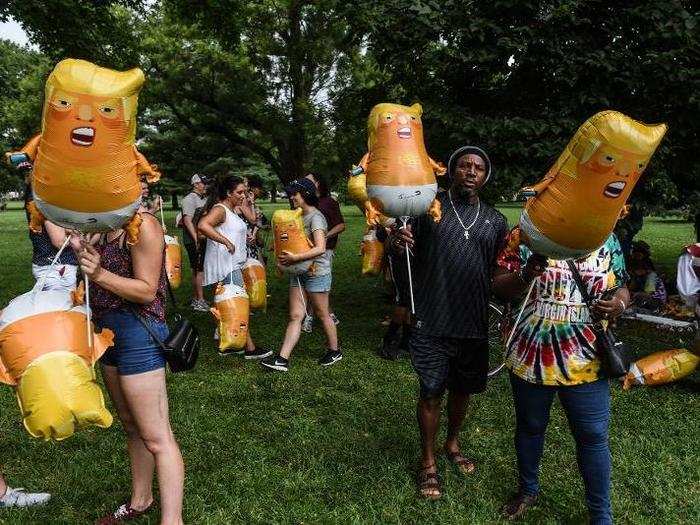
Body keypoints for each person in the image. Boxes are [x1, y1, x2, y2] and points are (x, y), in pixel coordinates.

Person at [394, 146, 508, 499]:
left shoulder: (495, 220)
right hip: (432, 317)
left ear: (485, 176)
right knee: (430, 391)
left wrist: (508, 311)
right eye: (464, 166)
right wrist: (398, 244)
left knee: (463, 390)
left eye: (478, 168)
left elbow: (500, 274)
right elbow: (403, 262)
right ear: (451, 171)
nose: (471, 172)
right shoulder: (428, 209)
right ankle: (428, 461)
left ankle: (452, 443)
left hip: (473, 321)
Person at [492, 230, 630, 523]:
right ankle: (527, 489)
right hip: (532, 353)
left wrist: (618, 304)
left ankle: (600, 514)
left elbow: (622, 287)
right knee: (530, 425)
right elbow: (499, 287)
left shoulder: (605, 236)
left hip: (588, 358)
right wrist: (526, 274)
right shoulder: (525, 235)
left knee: (593, 435)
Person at [73, 211, 184, 524]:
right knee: (131, 423)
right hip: (108, 332)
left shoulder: (143, 225)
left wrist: (99, 275)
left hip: (139, 330)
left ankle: (173, 521)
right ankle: (141, 500)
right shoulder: (105, 226)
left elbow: (147, 290)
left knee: (157, 436)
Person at [261, 177, 341, 372]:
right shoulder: (297, 216)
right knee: (296, 315)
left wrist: (295, 257)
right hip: (299, 272)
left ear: (305, 194)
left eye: (294, 194)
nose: (291, 197)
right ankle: (282, 359)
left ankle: (335, 350)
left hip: (317, 272)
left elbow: (321, 248)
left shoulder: (316, 217)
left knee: (322, 313)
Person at [198, 175, 271, 359]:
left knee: (228, 305)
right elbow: (203, 225)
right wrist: (226, 241)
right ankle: (250, 349)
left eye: (244, 191)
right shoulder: (220, 209)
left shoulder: (231, 210)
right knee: (239, 305)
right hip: (226, 265)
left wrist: (241, 239)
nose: (243, 195)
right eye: (239, 192)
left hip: (232, 263)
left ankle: (231, 344)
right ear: (228, 193)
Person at [301, 173, 345, 332]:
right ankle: (325, 314)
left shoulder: (329, 202)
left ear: (318, 184)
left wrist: (323, 236)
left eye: (309, 181)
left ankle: (313, 317)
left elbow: (340, 225)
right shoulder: (304, 202)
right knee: (310, 283)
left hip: (323, 251)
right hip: (304, 251)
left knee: (317, 284)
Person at [24, 181, 78, 291]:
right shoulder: (45, 196)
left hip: (51, 264)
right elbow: (60, 241)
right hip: (56, 267)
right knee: (61, 305)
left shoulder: (41, 190)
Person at [180, 174, 208, 312]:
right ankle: (200, 301)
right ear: (196, 184)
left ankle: (197, 298)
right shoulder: (189, 200)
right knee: (198, 269)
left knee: (198, 268)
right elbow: (187, 221)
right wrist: (196, 239)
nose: (205, 186)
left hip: (202, 239)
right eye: (203, 183)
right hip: (193, 240)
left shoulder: (202, 199)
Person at [627, 240, 667, 312]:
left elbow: (647, 294)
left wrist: (634, 294)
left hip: (656, 301)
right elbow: (632, 288)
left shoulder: (651, 276)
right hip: (645, 298)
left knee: (639, 297)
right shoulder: (637, 276)